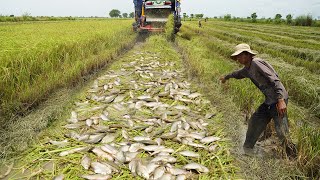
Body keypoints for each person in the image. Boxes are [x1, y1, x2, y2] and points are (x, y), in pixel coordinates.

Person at [220, 43, 296, 156]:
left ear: (247, 55)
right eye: (237, 57)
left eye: (239, 56)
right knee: (254, 121)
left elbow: (274, 80)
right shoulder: (247, 68)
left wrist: (281, 100)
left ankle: (292, 156)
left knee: (282, 132)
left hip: (278, 99)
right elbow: (237, 74)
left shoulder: (256, 63)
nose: (237, 59)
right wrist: (226, 77)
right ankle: (247, 148)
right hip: (269, 101)